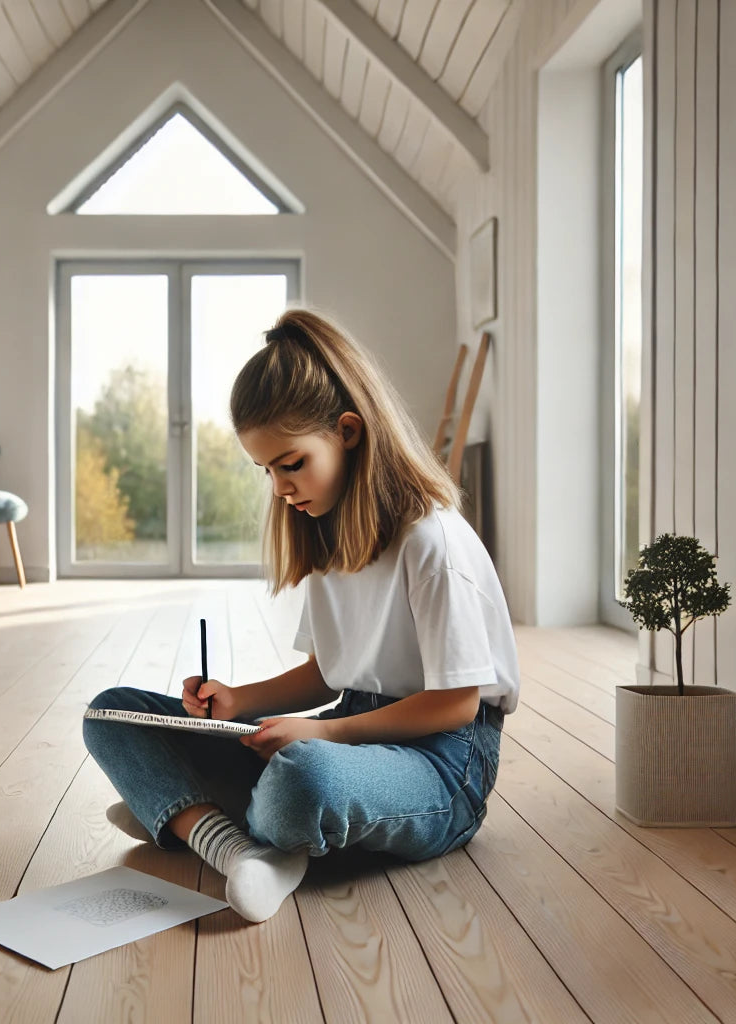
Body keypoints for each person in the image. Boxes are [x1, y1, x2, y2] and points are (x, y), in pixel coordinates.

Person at [83, 309, 519, 923]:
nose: (281, 487)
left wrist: (323, 734)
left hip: (443, 761)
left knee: (302, 779)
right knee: (111, 714)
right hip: (352, 730)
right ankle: (233, 841)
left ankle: (190, 818)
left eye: (291, 463)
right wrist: (238, 702)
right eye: (267, 471)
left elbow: (456, 705)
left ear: (348, 431)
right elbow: (328, 674)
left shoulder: (433, 542)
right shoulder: (331, 532)